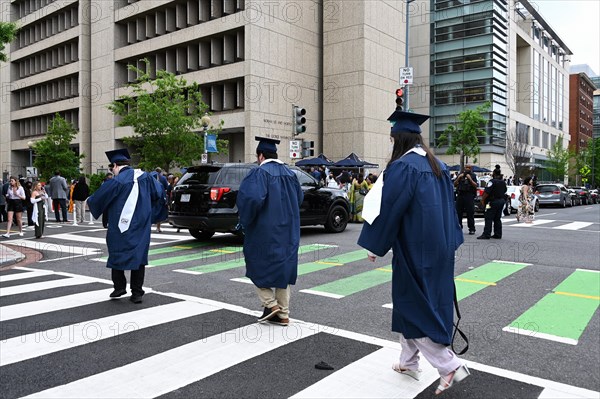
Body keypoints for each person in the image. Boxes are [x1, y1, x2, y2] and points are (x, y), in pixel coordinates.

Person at [357, 111, 469, 395]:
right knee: (422, 302)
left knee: (413, 305)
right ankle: (408, 361)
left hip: (415, 250)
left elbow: (391, 208)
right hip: (441, 248)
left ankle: (449, 366)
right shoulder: (439, 166)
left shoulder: (403, 167)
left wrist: (375, 243)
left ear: (399, 140)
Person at [236, 137, 303, 327]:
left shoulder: (259, 173)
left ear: (260, 155)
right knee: (283, 270)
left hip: (264, 230)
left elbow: (251, 201)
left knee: (256, 264)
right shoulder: (291, 174)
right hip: (288, 231)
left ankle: (270, 304)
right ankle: (283, 314)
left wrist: (244, 222)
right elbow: (299, 198)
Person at [87, 149, 164, 303]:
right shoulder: (146, 177)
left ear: (115, 165)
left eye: (111, 169)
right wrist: (149, 213)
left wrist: (91, 200)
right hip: (141, 225)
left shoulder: (117, 181)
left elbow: (97, 199)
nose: (112, 171)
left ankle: (119, 287)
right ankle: (137, 293)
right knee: (139, 257)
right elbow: (159, 193)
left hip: (119, 225)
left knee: (117, 252)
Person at [477, 167, 507, 239]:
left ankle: (486, 234)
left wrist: (482, 200)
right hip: (501, 201)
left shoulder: (491, 182)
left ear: (494, 174)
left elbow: (487, 192)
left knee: (488, 217)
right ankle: (498, 234)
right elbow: (505, 190)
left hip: (491, 202)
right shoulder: (503, 182)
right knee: (497, 218)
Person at [454, 165, 478, 235]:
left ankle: (471, 228)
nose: (467, 169)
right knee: (458, 212)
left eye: (468, 168)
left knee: (470, 213)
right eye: (466, 167)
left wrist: (470, 179)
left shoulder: (473, 175)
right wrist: (458, 178)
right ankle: (458, 227)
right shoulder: (460, 175)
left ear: (471, 169)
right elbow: (454, 184)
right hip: (460, 195)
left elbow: (476, 185)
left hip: (469, 195)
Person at [151, 168, 168, 233]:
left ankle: (149, 227)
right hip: (159, 200)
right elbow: (164, 190)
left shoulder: (150, 181)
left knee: (151, 213)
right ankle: (158, 228)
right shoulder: (161, 181)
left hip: (151, 201)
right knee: (159, 214)